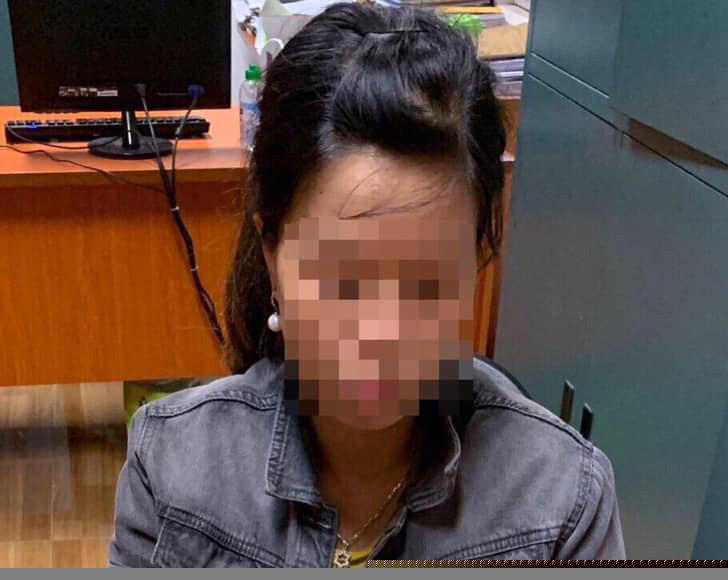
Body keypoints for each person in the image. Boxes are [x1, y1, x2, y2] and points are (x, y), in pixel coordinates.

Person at [109, 3, 625, 567]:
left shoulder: (562, 502)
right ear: (272, 254)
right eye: (343, 280)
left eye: (428, 283)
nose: (382, 333)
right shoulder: (173, 469)